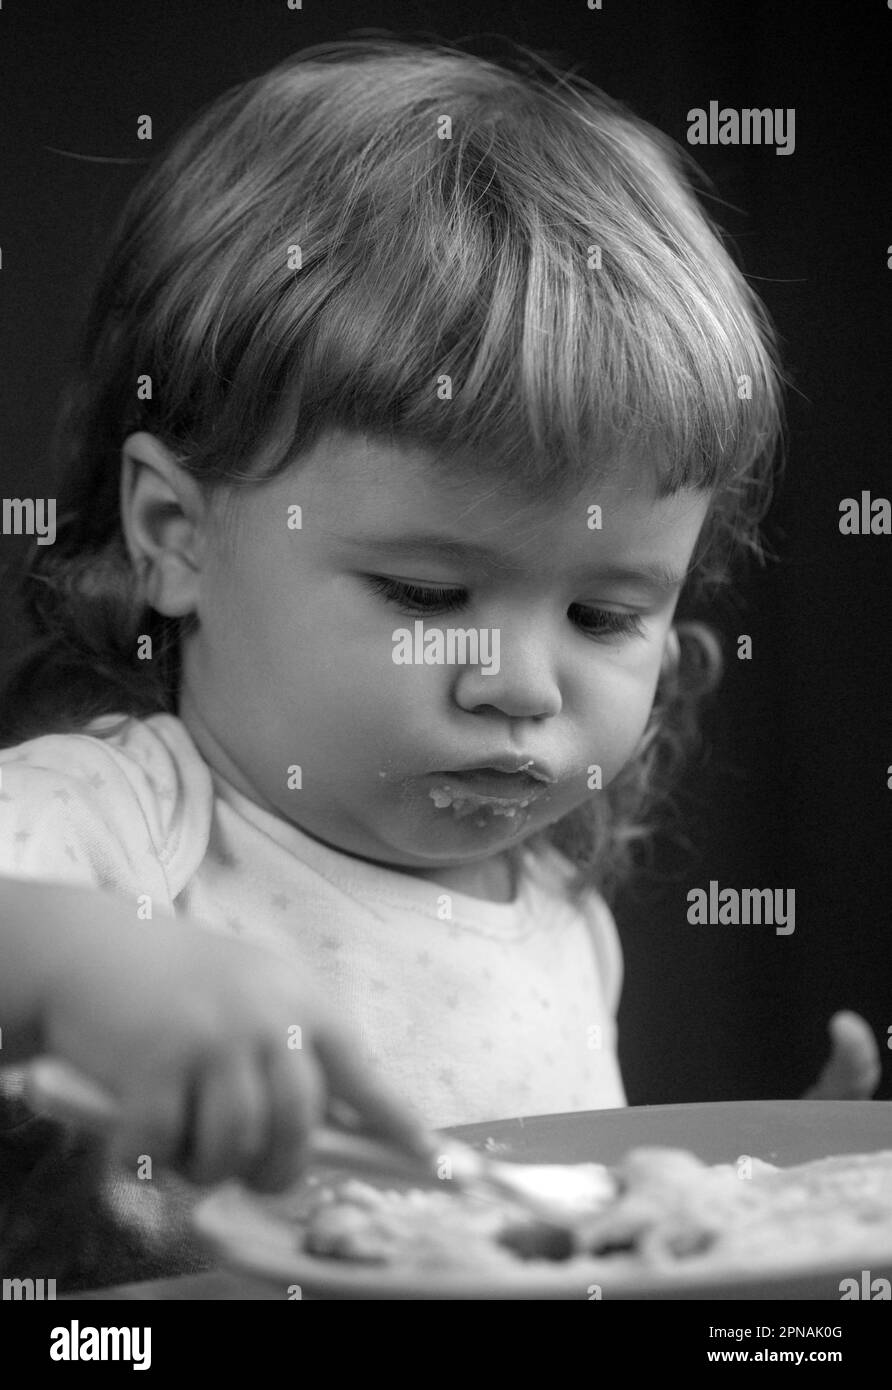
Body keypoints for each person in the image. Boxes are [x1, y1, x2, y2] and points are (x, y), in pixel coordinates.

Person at [0, 35, 879, 1290]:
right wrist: (79, 964)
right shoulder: (120, 825)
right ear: (174, 536)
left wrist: (753, 1209)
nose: (518, 683)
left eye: (603, 617)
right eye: (427, 593)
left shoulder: (553, 906)